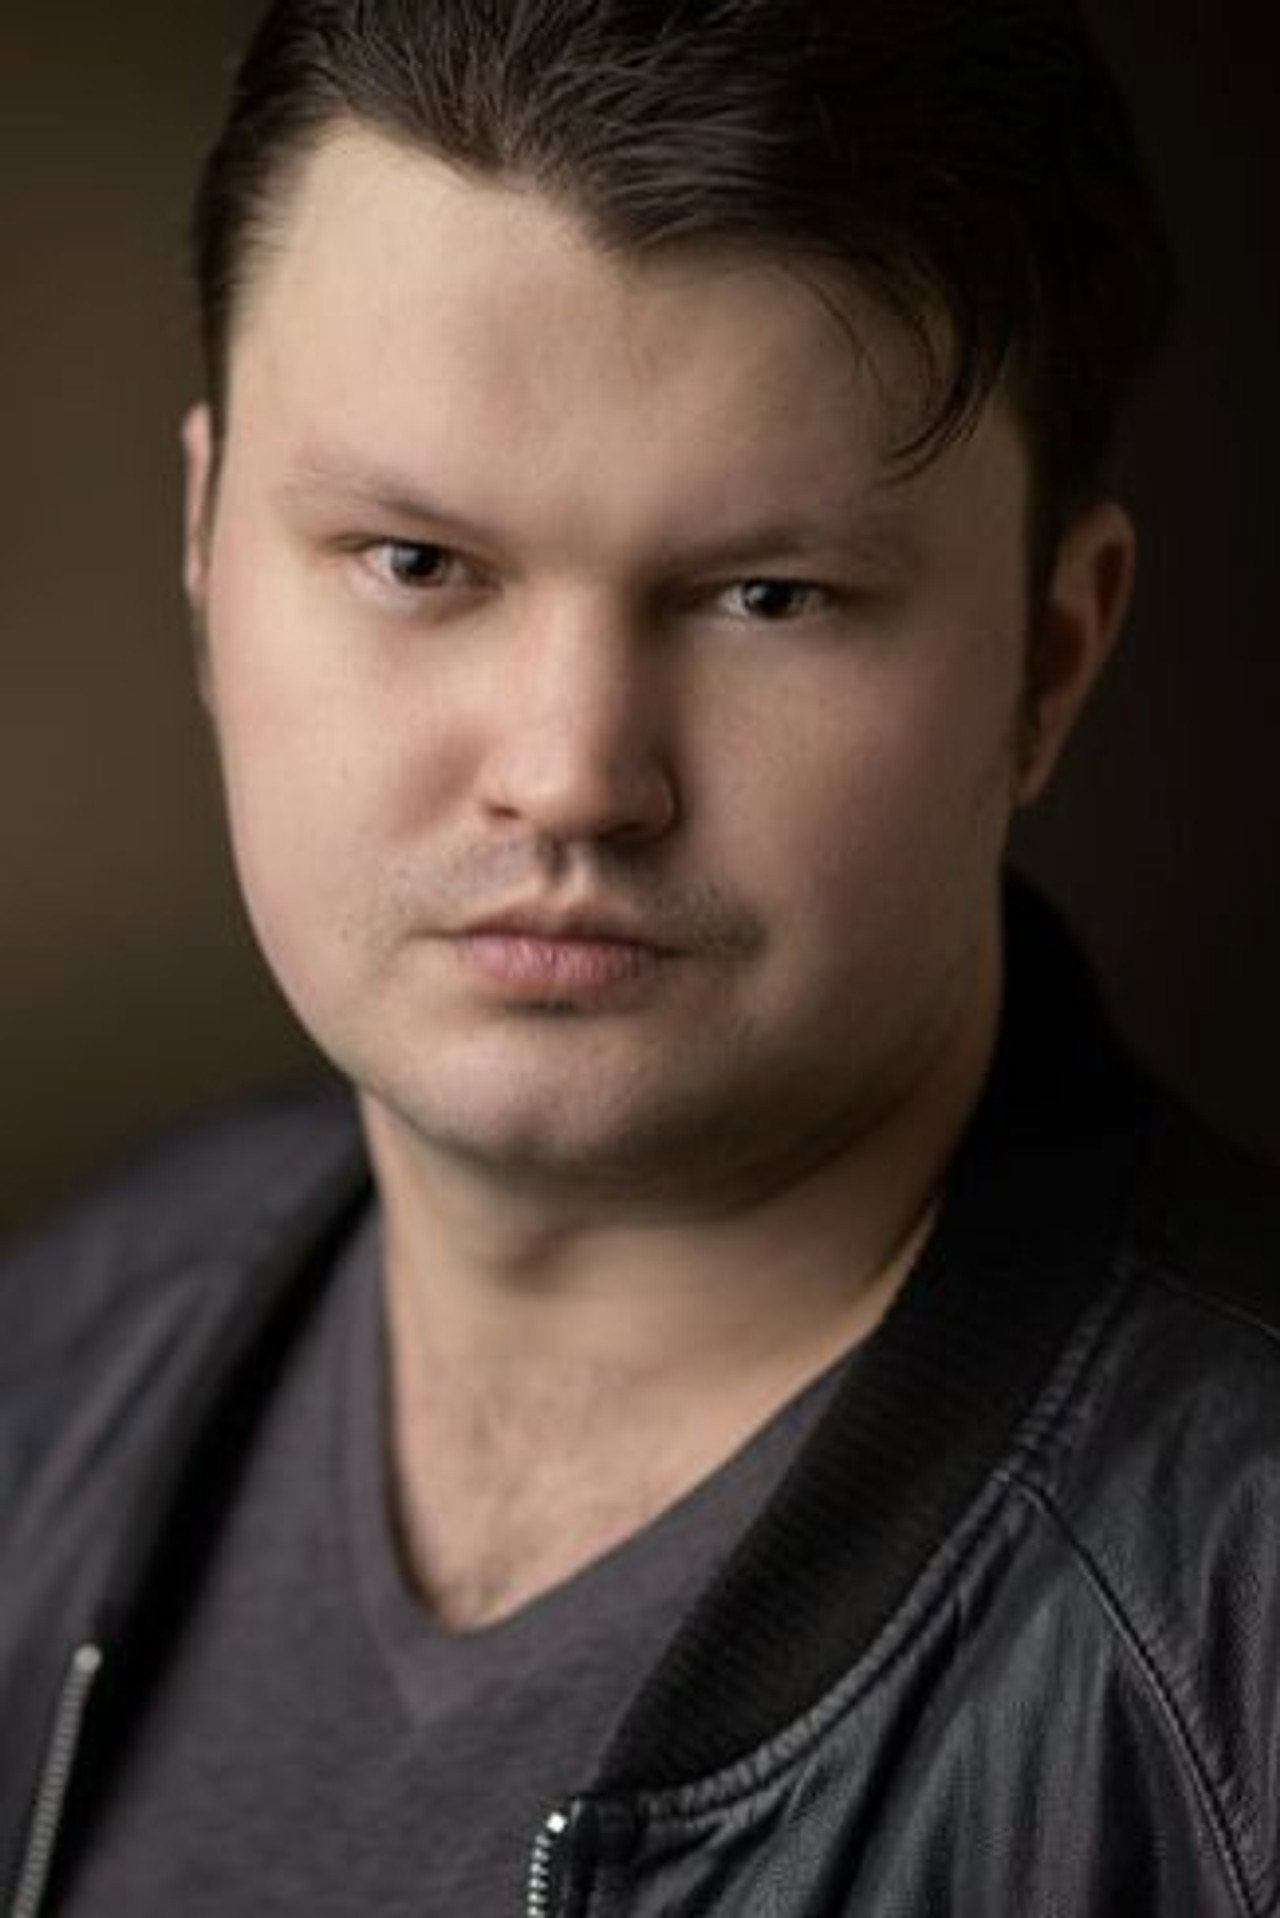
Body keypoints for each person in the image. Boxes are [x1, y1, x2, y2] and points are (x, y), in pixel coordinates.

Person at [2, 1, 1277, 1912]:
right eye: (415, 561)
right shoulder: (52, 1358)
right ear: (203, 552)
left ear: (1054, 658)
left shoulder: (1239, 1667)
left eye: (770, 594)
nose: (574, 775)